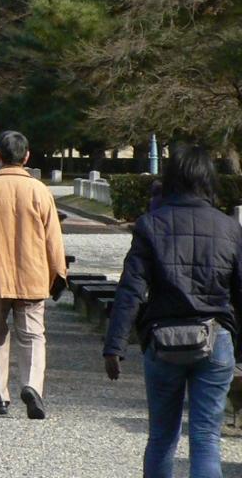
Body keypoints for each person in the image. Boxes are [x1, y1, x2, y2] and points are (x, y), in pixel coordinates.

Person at [104, 144, 242, 478]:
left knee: (162, 436)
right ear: (208, 179)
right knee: (206, 438)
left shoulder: (151, 225)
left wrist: (115, 345)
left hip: (163, 341)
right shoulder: (229, 228)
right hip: (215, 337)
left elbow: (131, 289)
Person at [0, 130, 68, 419]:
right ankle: (31, 385)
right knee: (32, 334)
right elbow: (53, 238)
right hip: (33, 273)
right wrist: (59, 273)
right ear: (27, 156)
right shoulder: (39, 191)